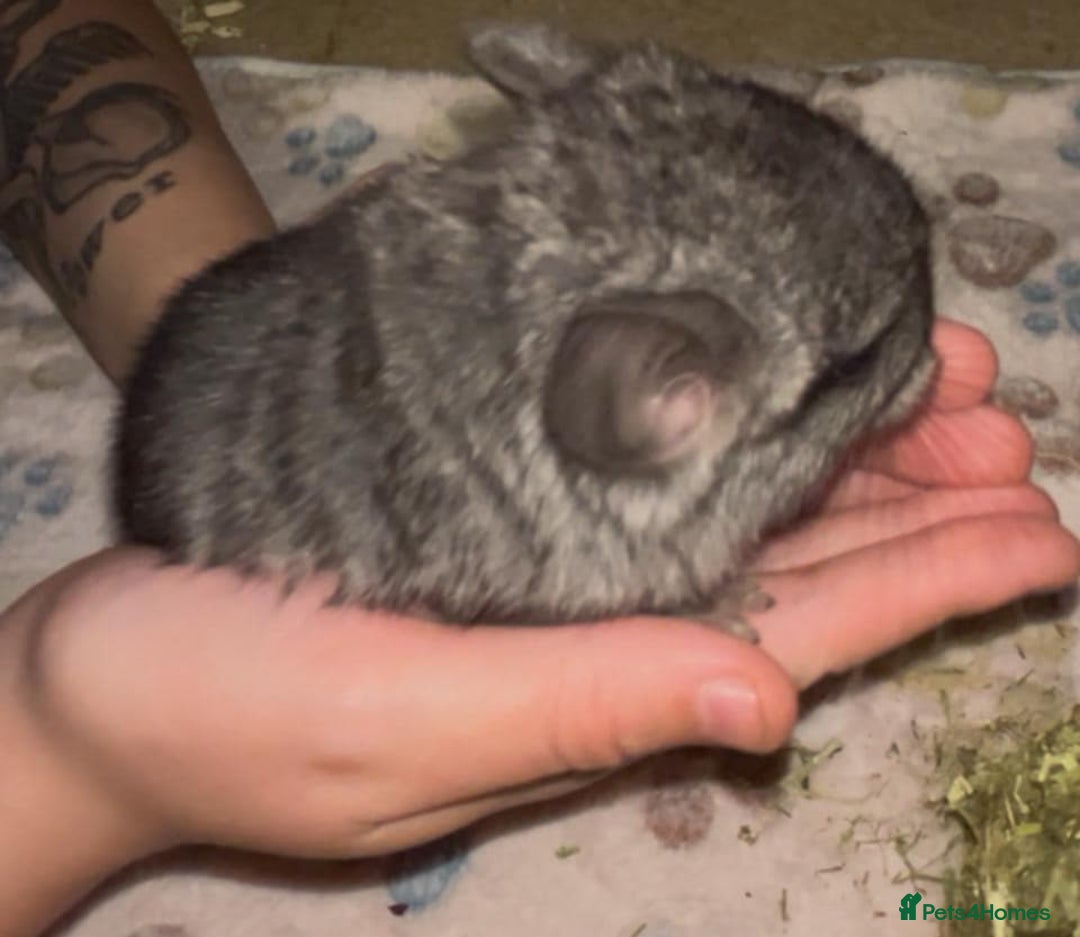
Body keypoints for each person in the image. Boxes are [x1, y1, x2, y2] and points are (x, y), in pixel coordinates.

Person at [0, 4, 1076, 936]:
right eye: (868, 357)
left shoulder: (591, 378)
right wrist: (83, 751)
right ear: (667, 408)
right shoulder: (538, 517)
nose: (921, 361)